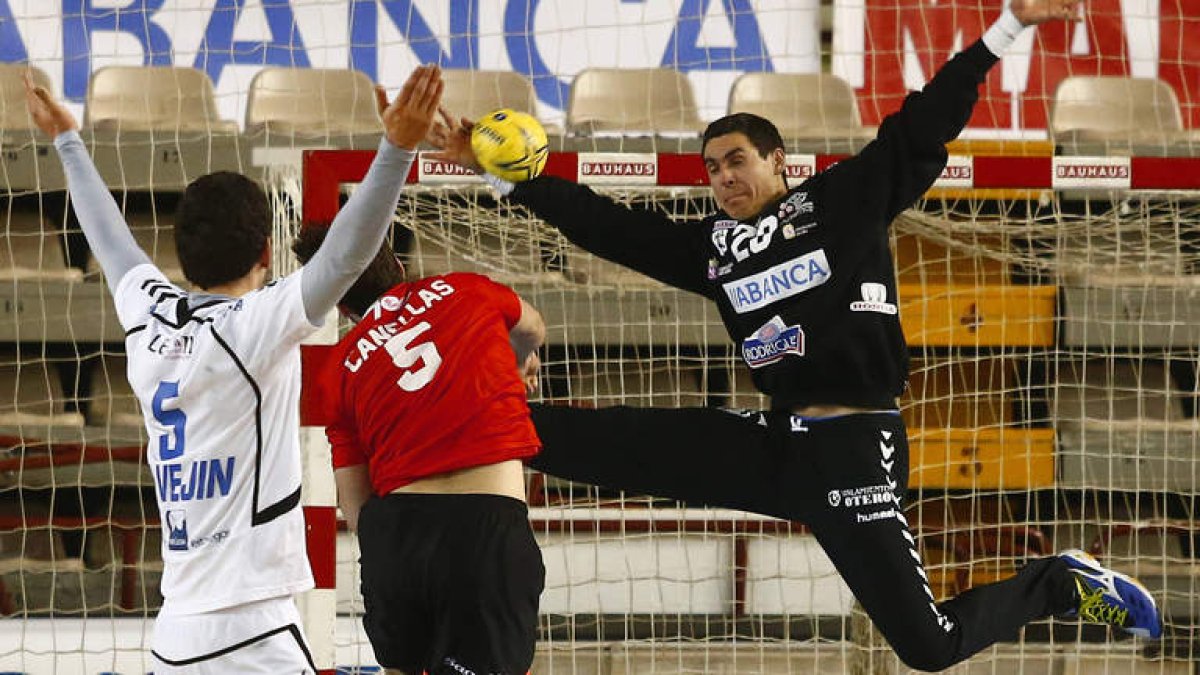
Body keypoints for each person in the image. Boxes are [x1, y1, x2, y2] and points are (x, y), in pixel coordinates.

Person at [424, 2, 1162, 671]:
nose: (724, 179)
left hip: (852, 449)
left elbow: (923, 124)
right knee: (557, 435)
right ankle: (445, 434)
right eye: (712, 169)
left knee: (930, 646)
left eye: (737, 161)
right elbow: (609, 228)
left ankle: (1060, 581)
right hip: (776, 443)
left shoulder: (842, 201)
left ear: (780, 160)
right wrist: (506, 181)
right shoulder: (715, 248)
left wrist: (1007, 27)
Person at [25, 64, 446, 673]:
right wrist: (396, 149)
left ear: (180, 254)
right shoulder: (254, 324)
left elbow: (111, 239)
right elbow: (347, 256)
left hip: (174, 635)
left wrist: (67, 139)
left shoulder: (149, 319)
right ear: (268, 251)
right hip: (251, 631)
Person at [292, 229, 546, 675]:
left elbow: (356, 505)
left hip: (395, 537)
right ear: (399, 266)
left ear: (339, 305)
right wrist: (520, 362)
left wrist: (390, 564)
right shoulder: (467, 289)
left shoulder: (337, 369)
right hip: (482, 529)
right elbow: (534, 327)